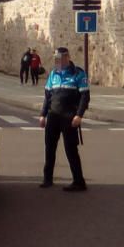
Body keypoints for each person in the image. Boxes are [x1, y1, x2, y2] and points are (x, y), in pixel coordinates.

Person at [38, 47, 90, 192]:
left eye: (60, 59)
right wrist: (43, 115)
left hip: (69, 118)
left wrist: (79, 115)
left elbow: (85, 97)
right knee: (49, 149)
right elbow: (47, 97)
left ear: (67, 57)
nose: (57, 62)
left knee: (71, 150)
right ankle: (47, 179)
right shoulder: (53, 74)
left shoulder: (78, 74)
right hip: (53, 117)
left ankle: (79, 182)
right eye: (56, 59)